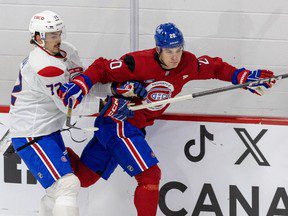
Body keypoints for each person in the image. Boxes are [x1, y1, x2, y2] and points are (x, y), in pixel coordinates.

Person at [58, 22, 276, 216]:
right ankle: (47, 153)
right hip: (118, 123)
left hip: (132, 128)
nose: (175, 56)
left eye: (179, 49)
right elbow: (102, 68)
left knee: (83, 179)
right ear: (158, 49)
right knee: (150, 176)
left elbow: (216, 67)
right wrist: (81, 84)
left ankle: (52, 154)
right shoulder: (137, 62)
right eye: (169, 51)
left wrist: (244, 77)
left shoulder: (188, 63)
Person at [8, 10, 133, 216]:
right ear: (38, 38)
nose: (58, 39)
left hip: (46, 131)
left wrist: (113, 89)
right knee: (68, 184)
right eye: (52, 35)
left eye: (59, 33)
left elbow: (81, 89)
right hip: (32, 132)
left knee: (57, 191)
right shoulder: (44, 67)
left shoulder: (67, 52)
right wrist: (107, 105)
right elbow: (70, 106)